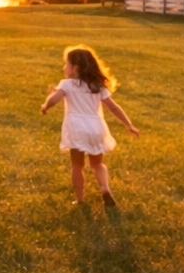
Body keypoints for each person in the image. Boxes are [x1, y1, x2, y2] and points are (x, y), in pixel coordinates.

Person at [40, 44, 139, 207]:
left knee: (77, 165)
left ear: (75, 69)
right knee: (97, 163)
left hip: (77, 128)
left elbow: (54, 99)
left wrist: (45, 106)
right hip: (96, 128)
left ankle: (80, 200)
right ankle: (105, 188)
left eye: (67, 64)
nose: (64, 67)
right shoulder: (97, 86)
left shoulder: (67, 84)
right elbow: (113, 107)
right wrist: (129, 124)